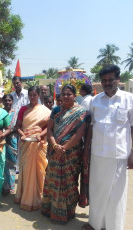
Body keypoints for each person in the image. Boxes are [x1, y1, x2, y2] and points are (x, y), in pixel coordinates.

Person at [82, 65, 133, 230]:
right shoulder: (95, 101)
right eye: (104, 80)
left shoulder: (129, 99)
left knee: (116, 194)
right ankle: (95, 224)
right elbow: (90, 127)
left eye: (111, 80)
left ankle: (113, 226)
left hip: (119, 156)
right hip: (98, 154)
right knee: (98, 191)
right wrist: (86, 152)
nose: (107, 83)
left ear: (117, 80)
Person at [41, 84, 88, 223]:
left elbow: (80, 134)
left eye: (69, 94)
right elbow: (49, 129)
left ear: (75, 96)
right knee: (52, 180)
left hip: (71, 154)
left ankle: (67, 212)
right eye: (63, 94)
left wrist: (64, 148)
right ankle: (50, 209)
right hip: (55, 153)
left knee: (69, 182)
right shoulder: (55, 110)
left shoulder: (81, 112)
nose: (66, 96)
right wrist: (55, 145)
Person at [14, 86, 51, 211]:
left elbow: (49, 127)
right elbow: (17, 126)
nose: (32, 97)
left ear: (39, 95)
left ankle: (40, 197)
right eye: (30, 95)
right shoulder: (23, 109)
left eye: (35, 95)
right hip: (26, 143)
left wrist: (40, 134)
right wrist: (22, 134)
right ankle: (24, 197)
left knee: (40, 170)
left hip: (39, 143)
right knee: (26, 169)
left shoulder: (45, 110)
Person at [2, 94, 18, 194]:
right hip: (1, 140)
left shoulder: (16, 113)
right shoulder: (0, 112)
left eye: (9, 100)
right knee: (3, 163)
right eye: (6, 100)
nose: (8, 102)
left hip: (12, 140)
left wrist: (7, 132)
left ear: (12, 101)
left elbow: (17, 126)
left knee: (11, 164)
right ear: (3, 102)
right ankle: (4, 186)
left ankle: (11, 186)